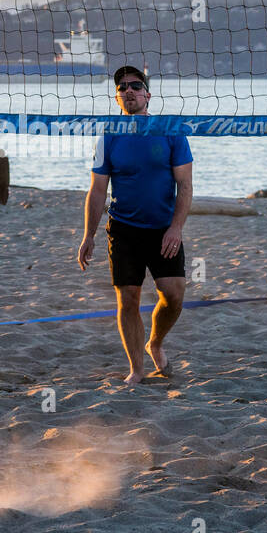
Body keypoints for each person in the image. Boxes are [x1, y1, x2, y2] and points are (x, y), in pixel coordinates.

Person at [77, 65, 193, 385]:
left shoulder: (169, 129)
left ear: (147, 95)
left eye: (134, 86)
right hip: (124, 228)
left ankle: (154, 342)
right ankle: (137, 369)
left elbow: (185, 185)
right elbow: (98, 189)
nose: (128, 90)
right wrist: (88, 235)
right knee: (128, 298)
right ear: (117, 98)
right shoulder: (109, 135)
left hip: (162, 227)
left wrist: (176, 228)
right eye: (122, 87)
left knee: (174, 295)